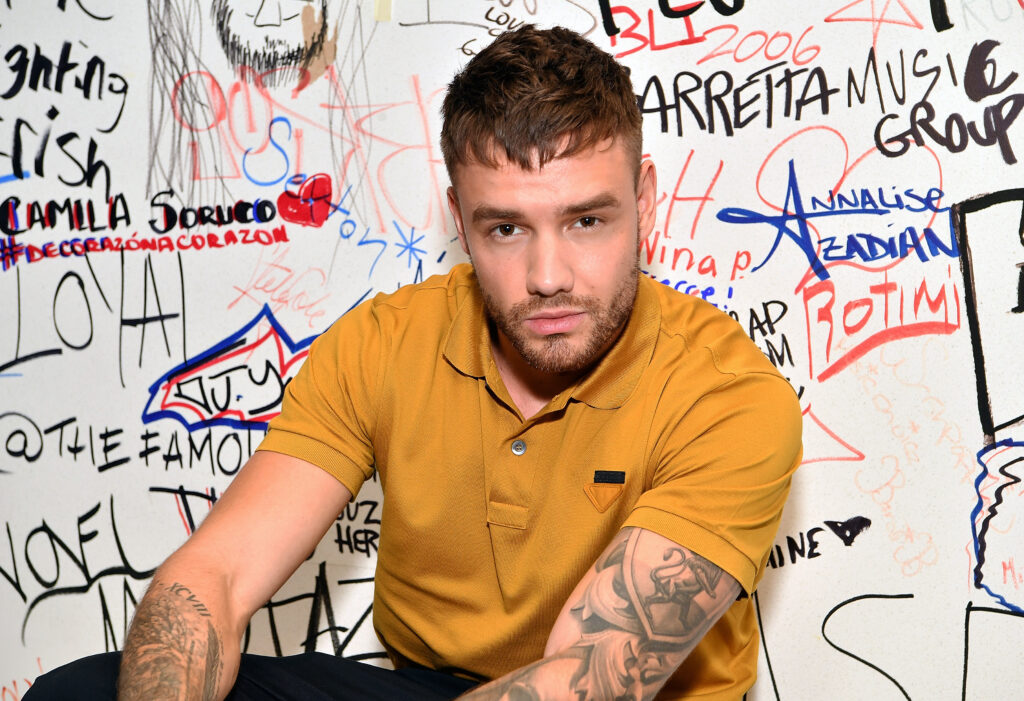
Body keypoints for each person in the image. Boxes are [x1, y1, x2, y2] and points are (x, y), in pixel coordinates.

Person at [25, 25, 801, 701]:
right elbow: (213, 579)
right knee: (84, 692)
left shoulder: (729, 398)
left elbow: (585, 678)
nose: (548, 276)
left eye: (587, 220)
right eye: (506, 229)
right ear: (459, 220)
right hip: (428, 687)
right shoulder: (385, 342)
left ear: (646, 201)